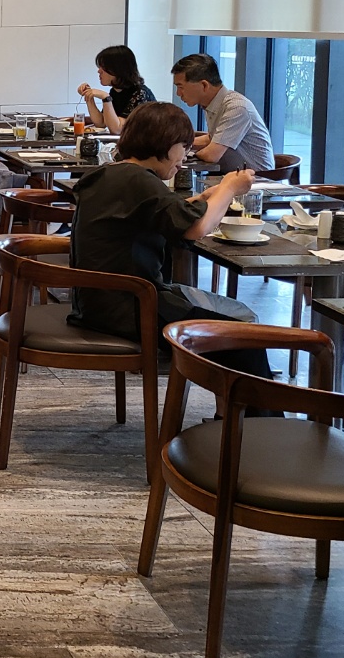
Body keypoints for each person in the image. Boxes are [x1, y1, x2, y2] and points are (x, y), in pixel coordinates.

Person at [69, 101, 277, 395]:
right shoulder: (139, 180)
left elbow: (158, 212)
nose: (185, 157)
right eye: (184, 147)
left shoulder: (112, 174)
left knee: (236, 319)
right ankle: (254, 420)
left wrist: (203, 199)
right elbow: (196, 228)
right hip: (131, 308)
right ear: (165, 143)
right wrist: (229, 188)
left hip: (98, 302)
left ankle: (232, 414)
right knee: (245, 338)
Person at [170, 53, 274, 172]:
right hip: (232, 175)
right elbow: (213, 139)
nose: (178, 93)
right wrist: (177, 144)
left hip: (259, 179)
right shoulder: (213, 104)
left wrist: (185, 153)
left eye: (181, 87)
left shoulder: (237, 108)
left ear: (204, 85)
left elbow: (211, 155)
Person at [77, 44, 155, 134]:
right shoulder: (115, 91)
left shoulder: (140, 93)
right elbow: (101, 123)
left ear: (118, 69)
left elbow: (117, 129)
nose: (99, 71)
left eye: (104, 67)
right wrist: (89, 97)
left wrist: (106, 98)